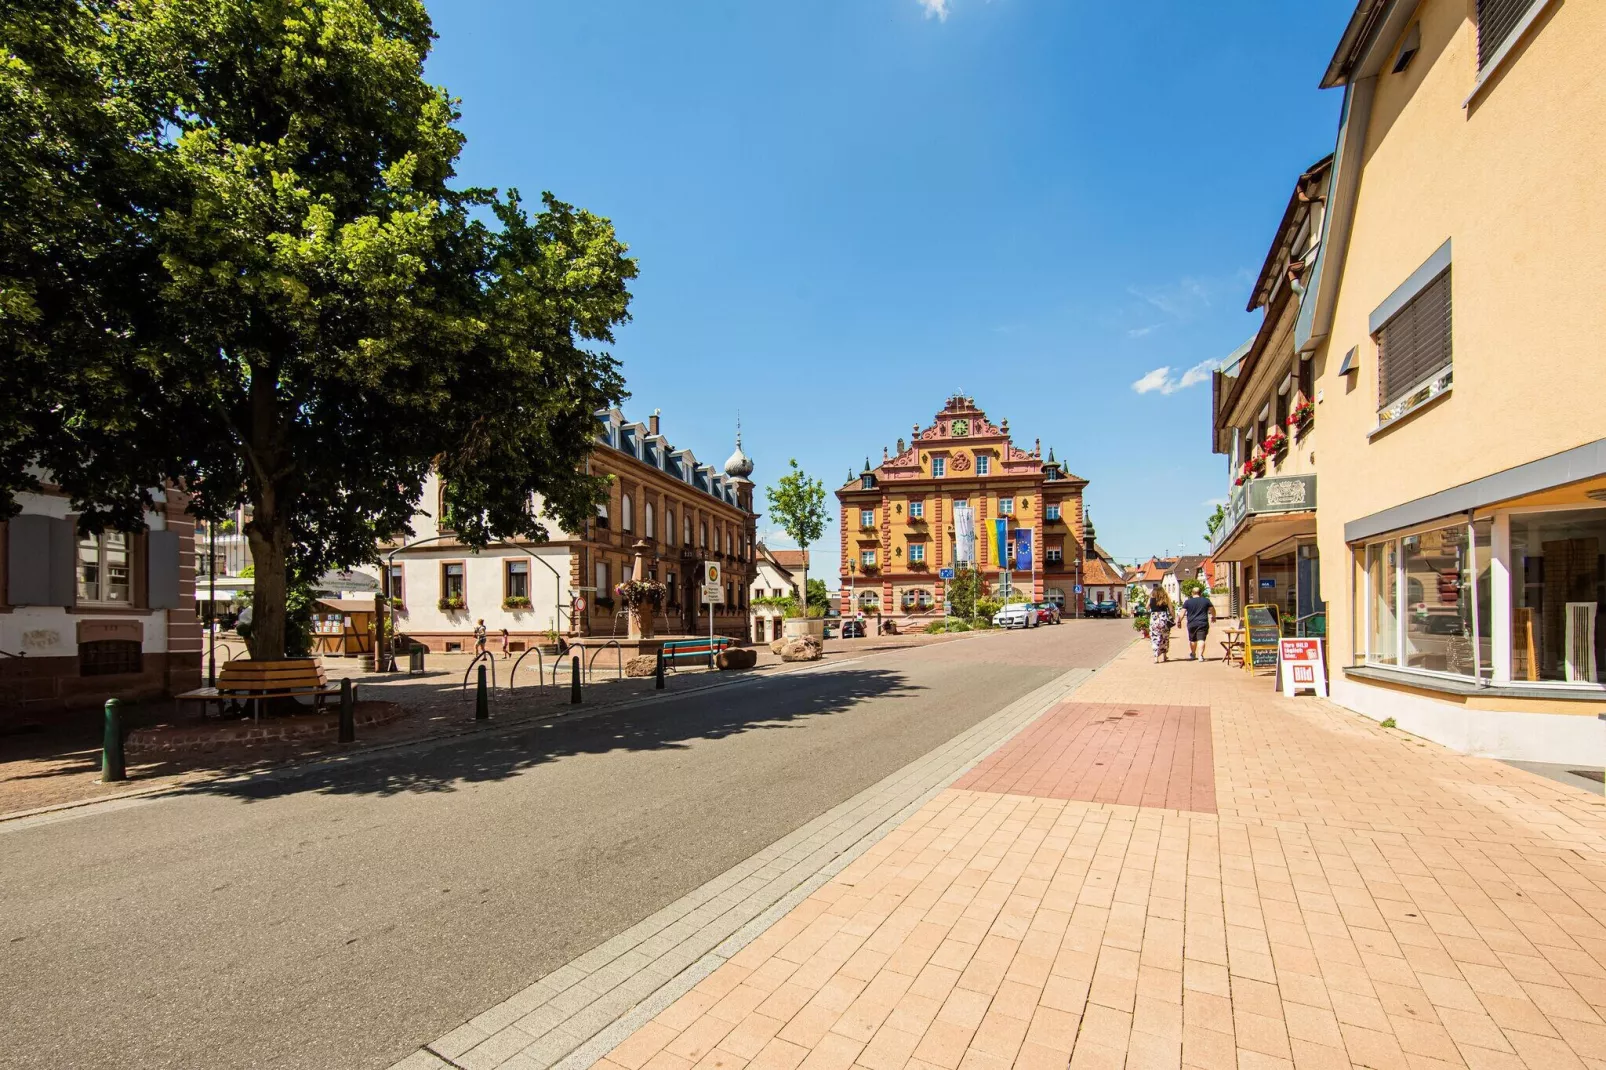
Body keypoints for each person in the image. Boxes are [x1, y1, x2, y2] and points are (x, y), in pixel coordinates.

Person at [1182, 587, 1215, 661]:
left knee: (1192, 640)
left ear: (1192, 593)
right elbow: (1212, 609)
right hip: (1202, 622)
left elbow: (1182, 612)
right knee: (1201, 639)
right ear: (1201, 593)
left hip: (1191, 623)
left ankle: (1193, 654)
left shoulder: (1187, 602)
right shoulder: (1206, 600)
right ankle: (1200, 656)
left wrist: (1179, 621)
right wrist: (1213, 616)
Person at [1148, 590, 1173, 663]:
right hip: (1163, 619)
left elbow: (1147, 607)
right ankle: (1164, 656)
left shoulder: (1151, 599)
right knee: (1164, 637)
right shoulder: (1166, 599)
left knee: (1155, 637)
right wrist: (1173, 617)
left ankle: (1156, 657)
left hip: (1154, 619)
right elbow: (1171, 609)